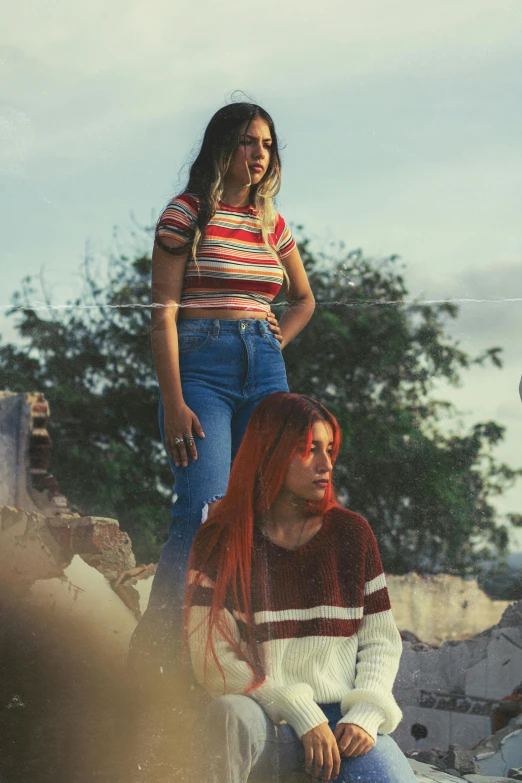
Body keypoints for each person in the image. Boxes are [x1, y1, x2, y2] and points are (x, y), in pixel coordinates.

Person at [131, 103, 315, 673]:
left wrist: (267, 344)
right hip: (201, 370)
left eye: (265, 143)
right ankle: (157, 657)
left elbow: (304, 299)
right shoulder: (187, 213)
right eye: (245, 142)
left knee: (265, 507)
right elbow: (162, 311)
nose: (257, 154)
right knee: (201, 507)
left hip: (264, 367)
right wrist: (173, 399)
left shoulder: (271, 222)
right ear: (220, 148)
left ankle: (243, 651)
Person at [184, 392, 416, 783]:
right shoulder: (219, 540)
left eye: (329, 450)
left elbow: (381, 641)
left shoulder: (351, 534)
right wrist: (298, 710)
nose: (326, 465)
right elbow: (212, 660)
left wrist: (366, 714)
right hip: (264, 714)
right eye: (310, 450)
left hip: (341, 725)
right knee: (227, 716)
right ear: (271, 454)